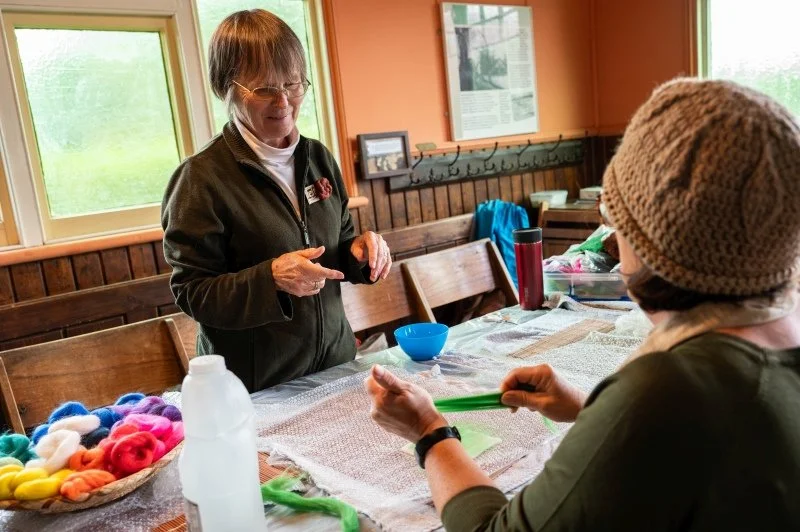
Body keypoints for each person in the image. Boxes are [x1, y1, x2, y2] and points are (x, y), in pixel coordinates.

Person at [365, 79, 800, 530]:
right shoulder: (779, 327)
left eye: (614, 222)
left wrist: (429, 433)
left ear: (652, 240)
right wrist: (593, 410)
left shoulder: (669, 387)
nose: (611, 239)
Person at [162, 9, 391, 393]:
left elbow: (337, 246)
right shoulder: (200, 179)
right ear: (226, 88)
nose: (283, 101)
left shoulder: (318, 157)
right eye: (265, 88)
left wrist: (360, 252)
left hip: (335, 368)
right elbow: (193, 293)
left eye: (294, 84)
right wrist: (271, 279)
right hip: (257, 387)